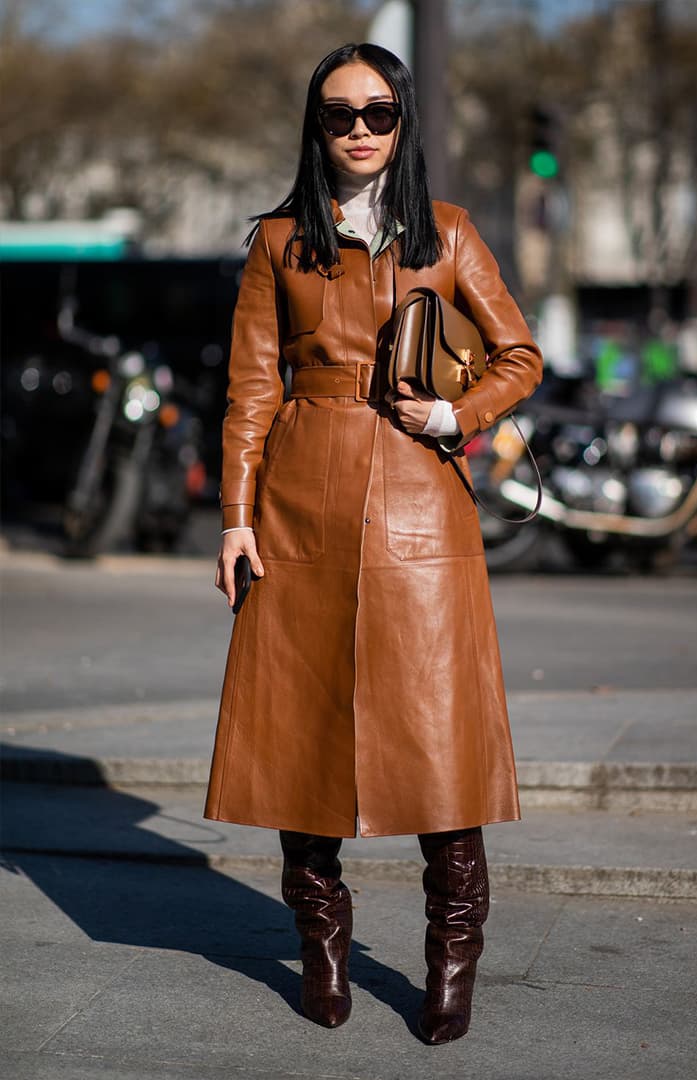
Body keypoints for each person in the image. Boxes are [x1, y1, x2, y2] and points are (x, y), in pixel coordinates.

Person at [204, 42, 542, 1045]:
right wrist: (233, 518)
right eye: (339, 114)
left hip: (420, 508)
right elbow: (250, 393)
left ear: (404, 123)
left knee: (441, 743)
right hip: (297, 507)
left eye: (379, 111)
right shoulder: (277, 242)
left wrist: (455, 416)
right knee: (298, 739)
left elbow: (520, 353)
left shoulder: (446, 232)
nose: (359, 130)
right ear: (315, 127)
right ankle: (323, 947)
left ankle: (450, 960)